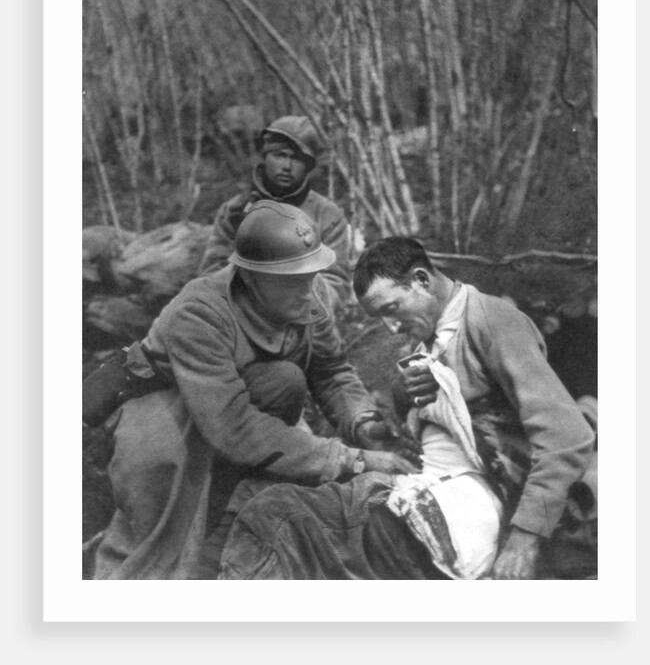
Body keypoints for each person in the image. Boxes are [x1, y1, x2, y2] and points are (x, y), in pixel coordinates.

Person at [216, 237, 596, 580]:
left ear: (422, 280)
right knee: (256, 494)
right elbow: (460, 409)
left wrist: (526, 538)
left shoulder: (493, 321)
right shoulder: (431, 339)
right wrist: (405, 395)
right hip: (432, 483)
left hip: (474, 500)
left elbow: (568, 435)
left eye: (392, 308)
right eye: (380, 318)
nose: (391, 327)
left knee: (277, 513)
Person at [88, 204, 416, 580]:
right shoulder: (198, 311)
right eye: (293, 278)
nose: (309, 290)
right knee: (163, 524)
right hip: (158, 403)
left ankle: (234, 486)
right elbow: (234, 425)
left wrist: (363, 423)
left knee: (285, 380)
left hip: (229, 400)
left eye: (310, 274)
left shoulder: (308, 294)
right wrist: (353, 460)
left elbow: (331, 371)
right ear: (251, 276)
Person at [199, 115, 352, 314]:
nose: (287, 166)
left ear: (308, 166)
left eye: (297, 158)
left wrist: (291, 299)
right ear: (265, 158)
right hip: (242, 316)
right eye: (279, 155)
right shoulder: (234, 211)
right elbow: (211, 275)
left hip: (304, 321)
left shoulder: (327, 215)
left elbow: (335, 284)